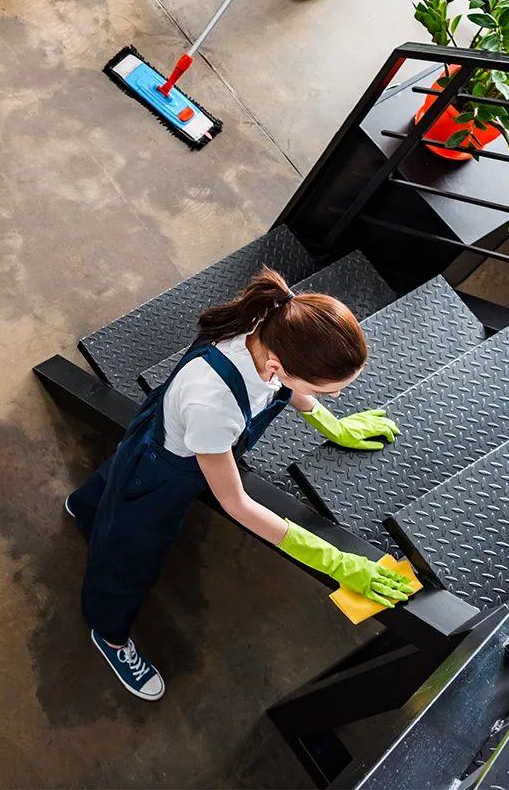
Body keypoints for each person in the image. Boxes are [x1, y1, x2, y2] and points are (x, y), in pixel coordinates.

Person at [66, 268, 415, 700]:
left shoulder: (273, 321)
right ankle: (108, 632)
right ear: (278, 367)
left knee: (119, 473)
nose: (336, 396)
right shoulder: (215, 406)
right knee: (129, 555)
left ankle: (84, 507)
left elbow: (287, 387)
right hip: (163, 473)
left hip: (170, 430)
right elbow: (237, 504)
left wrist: (333, 425)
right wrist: (336, 562)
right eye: (328, 391)